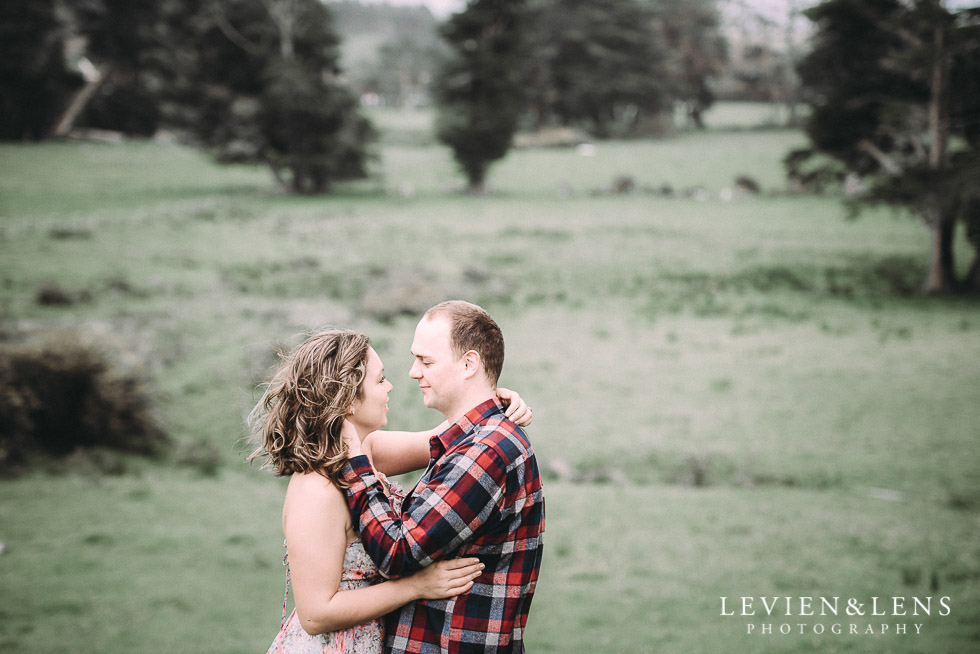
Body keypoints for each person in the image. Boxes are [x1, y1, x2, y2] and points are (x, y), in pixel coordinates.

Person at [247, 330, 533, 653]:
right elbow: (315, 614)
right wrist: (416, 586)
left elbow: (445, 437)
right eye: (380, 380)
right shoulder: (316, 489)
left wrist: (493, 401)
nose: (390, 387)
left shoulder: (365, 451)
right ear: (349, 401)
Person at [343, 301, 545, 653]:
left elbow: (395, 552)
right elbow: (382, 447)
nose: (412, 372)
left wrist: (356, 467)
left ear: (469, 364)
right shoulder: (474, 440)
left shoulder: (485, 452)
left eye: (426, 361)